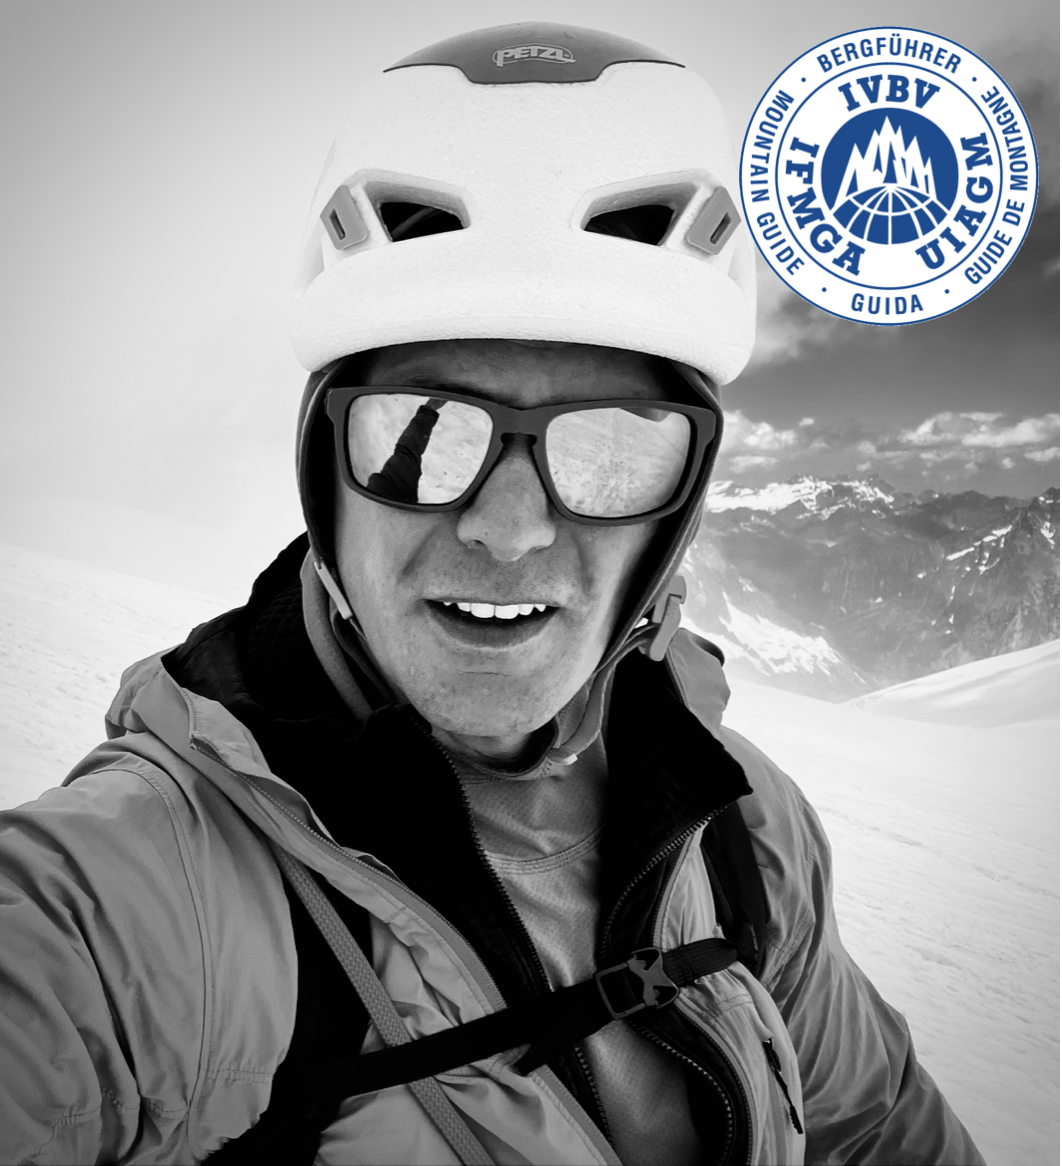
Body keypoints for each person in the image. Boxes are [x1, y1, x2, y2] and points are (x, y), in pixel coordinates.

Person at [0, 22, 984, 1166]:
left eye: (613, 449)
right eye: (423, 433)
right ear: (327, 468)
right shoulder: (135, 900)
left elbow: (875, 1128)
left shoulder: (741, 829)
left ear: (680, 509)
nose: (509, 529)